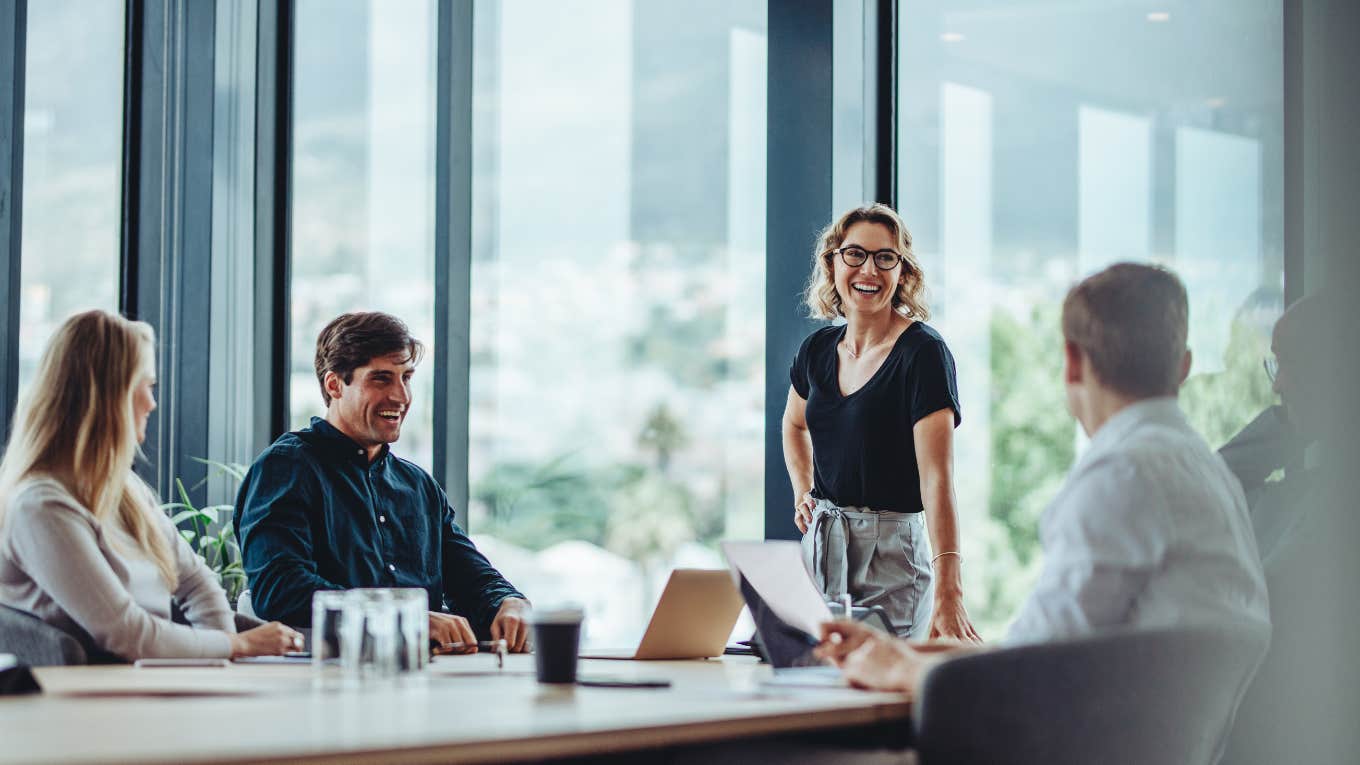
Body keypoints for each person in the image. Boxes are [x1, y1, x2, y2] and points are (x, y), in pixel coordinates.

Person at [818, 263, 1269, 694]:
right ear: (1183, 366)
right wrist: (907, 653)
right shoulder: (1207, 471)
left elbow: (1028, 679)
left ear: (1072, 362)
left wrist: (897, 667)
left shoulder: (1121, 477)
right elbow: (1046, 649)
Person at [0, 310, 300, 660]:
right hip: (88, 700)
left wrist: (221, 655)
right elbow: (126, 634)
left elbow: (196, 582)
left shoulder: (124, 488)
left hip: (145, 683)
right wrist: (236, 645)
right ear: (110, 397)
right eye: (146, 386)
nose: (152, 403)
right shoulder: (41, 507)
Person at [235, 311, 530, 652]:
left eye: (406, 378)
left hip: (426, 679)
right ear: (335, 385)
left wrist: (509, 601)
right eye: (381, 379)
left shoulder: (418, 485)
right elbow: (281, 590)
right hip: (326, 683)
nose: (401, 396)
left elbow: (470, 576)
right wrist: (406, 617)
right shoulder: (286, 468)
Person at [783, 203, 977, 641]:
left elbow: (937, 479)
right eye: (855, 254)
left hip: (892, 556)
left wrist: (951, 590)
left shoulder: (923, 354)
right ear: (832, 263)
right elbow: (794, 426)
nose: (868, 269)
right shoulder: (815, 350)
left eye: (884, 257)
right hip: (821, 547)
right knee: (815, 689)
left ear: (902, 272)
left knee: (881, 698)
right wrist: (802, 491)